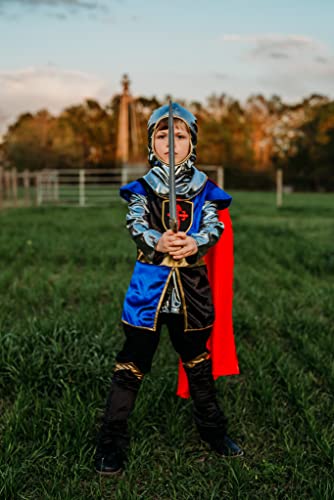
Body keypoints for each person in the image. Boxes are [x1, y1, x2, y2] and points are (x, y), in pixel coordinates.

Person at [94, 103, 243, 475]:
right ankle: (111, 439)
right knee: (133, 360)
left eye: (179, 135)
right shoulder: (143, 188)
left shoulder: (206, 189)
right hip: (148, 288)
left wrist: (195, 243)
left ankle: (213, 431)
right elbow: (135, 224)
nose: (172, 143)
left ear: (192, 142)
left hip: (192, 290)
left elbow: (213, 226)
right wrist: (156, 241)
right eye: (163, 135)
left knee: (197, 359)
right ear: (151, 142)